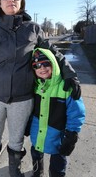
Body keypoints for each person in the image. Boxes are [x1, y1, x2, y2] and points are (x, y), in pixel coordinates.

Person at [0, 0, 81, 177]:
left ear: (22, 1)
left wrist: (70, 74)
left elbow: (53, 53)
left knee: (16, 139)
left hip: (22, 99)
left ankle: (15, 168)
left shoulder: (33, 29)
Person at [29, 48, 86, 177]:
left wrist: (72, 134)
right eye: (37, 65)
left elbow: (76, 112)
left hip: (58, 134)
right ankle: (38, 171)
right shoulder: (36, 86)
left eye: (46, 63)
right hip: (38, 132)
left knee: (58, 160)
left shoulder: (66, 87)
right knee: (36, 152)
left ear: (53, 63)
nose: (42, 68)